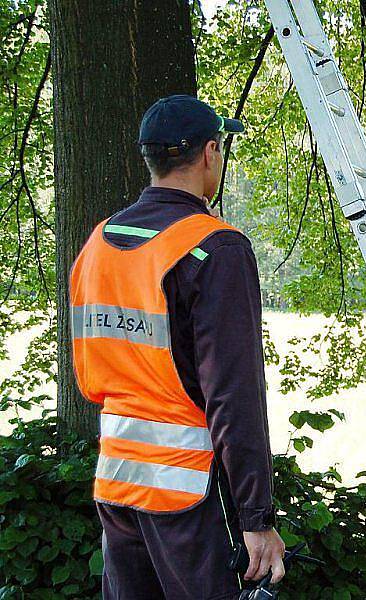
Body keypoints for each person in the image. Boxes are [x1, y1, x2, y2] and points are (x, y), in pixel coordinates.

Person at [70, 95, 285, 600]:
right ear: (210, 153)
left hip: (118, 478)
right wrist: (256, 518)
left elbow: (89, 376)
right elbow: (234, 397)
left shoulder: (98, 242)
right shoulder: (215, 248)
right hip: (190, 491)